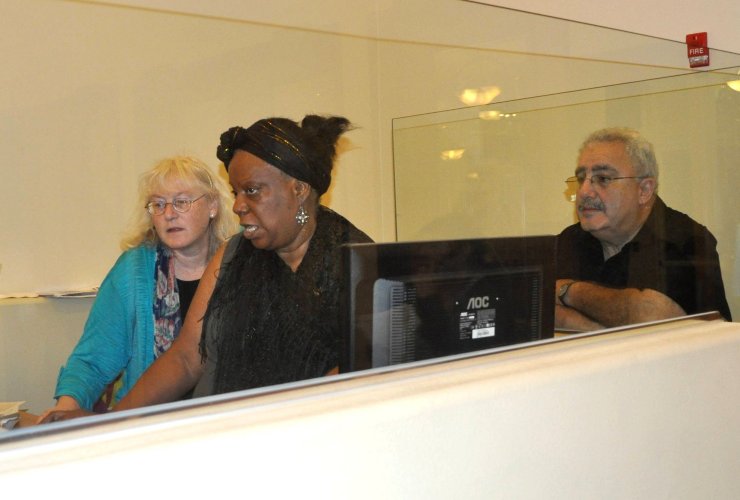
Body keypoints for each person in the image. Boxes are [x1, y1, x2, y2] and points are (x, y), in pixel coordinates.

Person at [40, 114, 372, 422]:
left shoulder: (357, 264)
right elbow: (187, 357)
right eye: (236, 192)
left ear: (298, 189)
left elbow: (359, 377)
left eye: (252, 191)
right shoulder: (233, 255)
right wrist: (112, 423)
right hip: (222, 433)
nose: (238, 205)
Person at [38, 156, 238, 422]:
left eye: (181, 202)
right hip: (145, 422)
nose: (169, 214)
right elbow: (94, 360)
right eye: (158, 204)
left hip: (225, 419)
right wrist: (64, 409)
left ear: (212, 206)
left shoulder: (238, 264)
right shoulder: (133, 270)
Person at [555, 127, 731, 331]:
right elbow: (537, 313)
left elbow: (653, 316)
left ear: (644, 190)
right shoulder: (569, 240)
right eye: (581, 179)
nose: (584, 191)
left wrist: (568, 291)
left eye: (603, 179)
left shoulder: (685, 240)